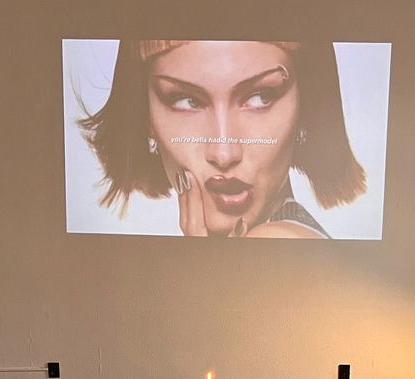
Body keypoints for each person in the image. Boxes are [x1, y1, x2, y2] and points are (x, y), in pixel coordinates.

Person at [78, 40, 366, 238]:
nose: (224, 153)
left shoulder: (271, 241)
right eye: (187, 101)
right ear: (146, 118)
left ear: (306, 108)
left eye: (260, 97)